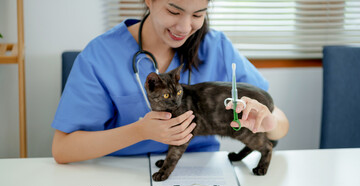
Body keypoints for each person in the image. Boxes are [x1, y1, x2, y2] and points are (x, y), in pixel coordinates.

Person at [52, 0, 289, 164]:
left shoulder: (216, 47)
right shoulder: (101, 55)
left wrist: (267, 122)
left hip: (200, 177)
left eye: (197, 14)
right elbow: (62, 150)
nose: (185, 28)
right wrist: (139, 131)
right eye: (174, 12)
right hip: (121, 175)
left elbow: (281, 124)